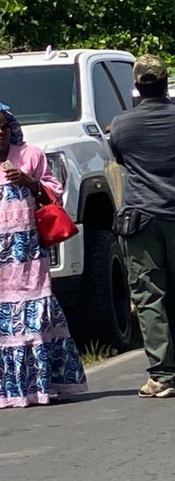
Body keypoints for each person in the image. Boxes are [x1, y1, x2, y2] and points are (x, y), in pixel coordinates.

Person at [109, 54, 175, 399]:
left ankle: (162, 374)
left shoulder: (121, 125)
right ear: (166, 82)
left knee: (149, 294)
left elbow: (121, 160)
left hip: (141, 218)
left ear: (137, 86)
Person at [0, 104, 87, 407]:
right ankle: (10, 391)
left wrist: (29, 182)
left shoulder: (30, 155)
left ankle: (40, 387)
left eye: (4, 127)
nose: (0, 133)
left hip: (28, 256)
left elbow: (54, 193)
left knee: (35, 316)